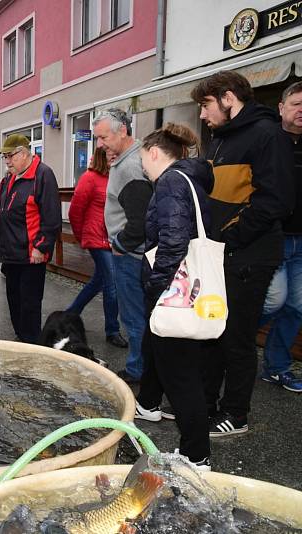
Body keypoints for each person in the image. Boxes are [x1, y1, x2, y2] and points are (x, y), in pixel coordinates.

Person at [191, 71, 294, 437]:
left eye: (205, 106)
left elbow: (275, 200)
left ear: (228, 98)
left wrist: (231, 237)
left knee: (237, 337)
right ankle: (203, 404)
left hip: (249, 254)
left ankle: (236, 414)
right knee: (214, 332)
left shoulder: (268, 135)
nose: (202, 115)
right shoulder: (222, 138)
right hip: (223, 253)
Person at [135, 123, 214, 470]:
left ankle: (196, 456)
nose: (143, 168)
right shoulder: (192, 179)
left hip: (174, 291)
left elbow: (173, 241)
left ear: (154, 153)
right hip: (186, 288)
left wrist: (156, 285)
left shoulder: (169, 181)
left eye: (143, 160)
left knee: (181, 376)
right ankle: (148, 405)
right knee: (167, 357)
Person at [95, 108, 152, 384]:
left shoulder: (130, 166)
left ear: (123, 131)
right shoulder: (130, 156)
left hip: (130, 254)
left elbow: (139, 221)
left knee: (133, 316)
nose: (99, 144)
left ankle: (138, 369)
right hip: (134, 252)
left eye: (103, 137)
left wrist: (119, 244)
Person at [259, 81, 302, 394]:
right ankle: (225, 340)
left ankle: (277, 367)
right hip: (273, 238)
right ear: (282, 108)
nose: (301, 111)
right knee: (274, 299)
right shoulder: (269, 141)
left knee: (298, 306)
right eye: (297, 104)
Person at [0, 135, 60, 342]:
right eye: (5, 157)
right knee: (14, 300)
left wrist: (41, 247)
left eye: (10, 156)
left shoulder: (43, 175)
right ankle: (20, 338)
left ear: (24, 153)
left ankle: (31, 343)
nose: (7, 161)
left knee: (30, 304)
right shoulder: (11, 177)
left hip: (31, 254)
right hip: (11, 253)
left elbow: (51, 217)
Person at [67, 147, 126, 348]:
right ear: (103, 157)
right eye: (112, 155)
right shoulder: (89, 178)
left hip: (113, 238)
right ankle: (112, 330)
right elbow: (75, 210)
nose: (116, 157)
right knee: (112, 283)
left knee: (98, 281)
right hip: (97, 238)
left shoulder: (116, 175)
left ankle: (70, 315)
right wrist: (80, 237)